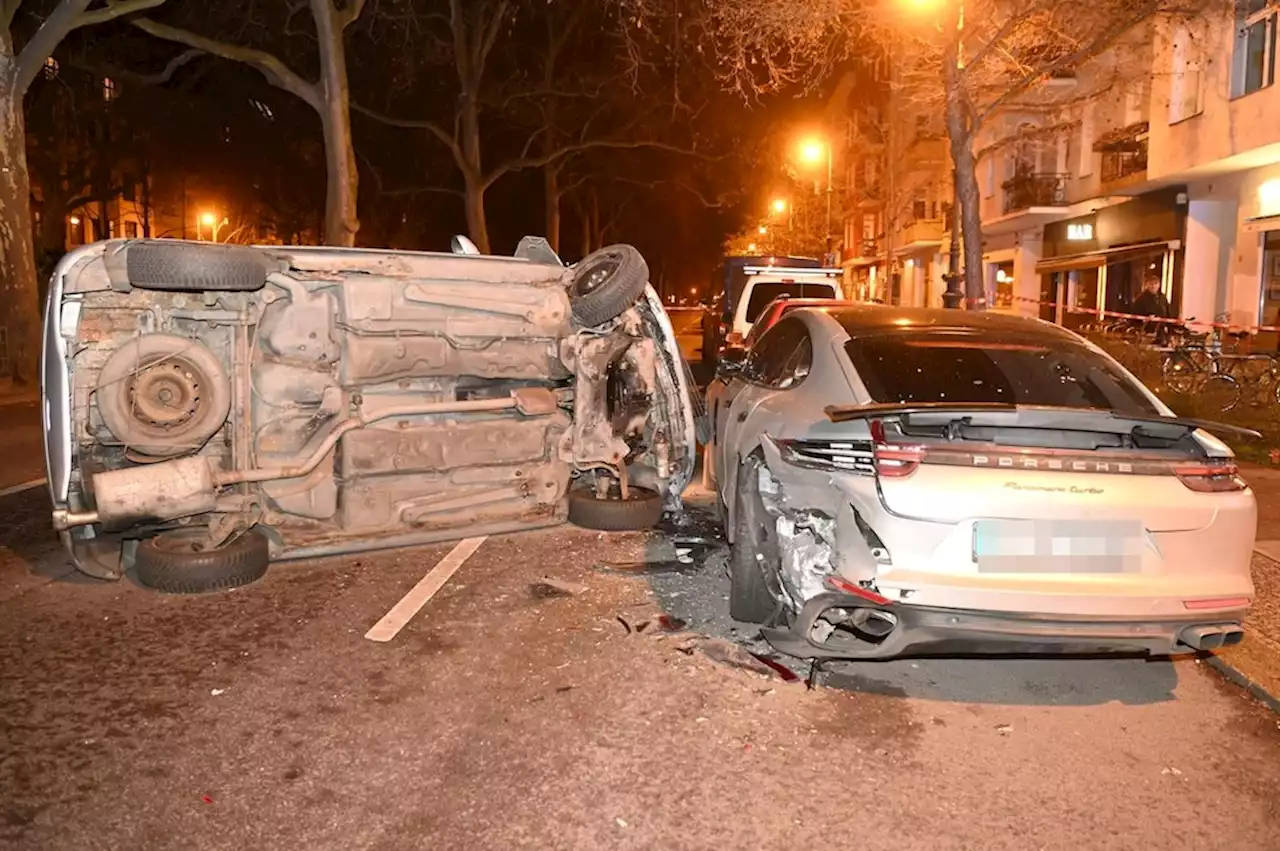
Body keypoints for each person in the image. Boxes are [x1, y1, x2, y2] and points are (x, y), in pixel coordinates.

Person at [1130, 273, 1174, 343]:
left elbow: (1168, 313)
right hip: (1146, 330)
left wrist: (1170, 329)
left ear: (1159, 285)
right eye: (1151, 284)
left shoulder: (1162, 297)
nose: (1153, 286)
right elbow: (1135, 314)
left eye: (1155, 283)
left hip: (1161, 330)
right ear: (1147, 285)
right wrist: (1145, 319)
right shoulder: (1141, 299)